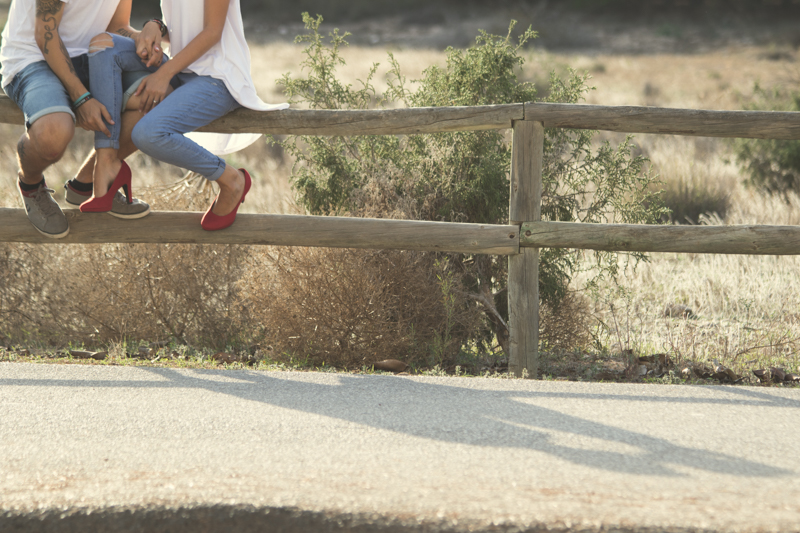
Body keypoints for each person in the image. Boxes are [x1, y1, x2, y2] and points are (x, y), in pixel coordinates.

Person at [86, 0, 288, 231]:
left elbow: (213, 31)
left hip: (217, 77)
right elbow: (184, 29)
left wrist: (164, 74)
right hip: (181, 69)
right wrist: (156, 26)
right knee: (103, 44)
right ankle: (106, 166)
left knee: (148, 133)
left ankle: (232, 180)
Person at [0, 0, 162, 238]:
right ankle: (31, 184)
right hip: (34, 57)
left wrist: (149, 32)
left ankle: (87, 182)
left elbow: (116, 26)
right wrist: (82, 98)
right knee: (52, 134)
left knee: (160, 94)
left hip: (95, 56)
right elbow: (46, 34)